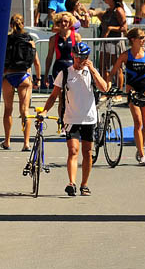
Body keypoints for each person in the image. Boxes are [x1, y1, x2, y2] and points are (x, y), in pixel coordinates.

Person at [41, 42, 109, 197]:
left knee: (87, 152)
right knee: (73, 150)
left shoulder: (91, 72)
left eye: (83, 57)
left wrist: (92, 70)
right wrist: (45, 111)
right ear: (72, 55)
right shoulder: (65, 73)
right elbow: (53, 96)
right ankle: (71, 183)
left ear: (87, 57)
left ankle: (84, 184)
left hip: (89, 119)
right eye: (77, 57)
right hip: (71, 118)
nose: (79, 60)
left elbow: (104, 88)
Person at [109, 28, 145, 167]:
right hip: (132, 90)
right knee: (138, 123)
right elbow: (114, 71)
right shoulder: (125, 55)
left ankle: (140, 145)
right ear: (133, 40)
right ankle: (141, 154)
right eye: (141, 37)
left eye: (144, 37)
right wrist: (108, 86)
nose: (144, 40)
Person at [1, 14, 40, 151]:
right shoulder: (29, 39)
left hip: (8, 75)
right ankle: (26, 143)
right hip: (24, 76)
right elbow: (36, 62)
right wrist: (38, 78)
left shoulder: (6, 39)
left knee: (8, 110)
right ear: (23, 24)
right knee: (25, 111)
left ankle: (7, 141)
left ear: (11, 24)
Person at [43, 12, 81, 122]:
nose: (63, 24)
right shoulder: (53, 39)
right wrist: (46, 75)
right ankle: (63, 122)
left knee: (72, 97)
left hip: (72, 68)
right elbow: (49, 57)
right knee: (62, 98)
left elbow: (81, 55)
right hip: (59, 69)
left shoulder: (76, 36)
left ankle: (73, 120)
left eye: (66, 21)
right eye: (60, 22)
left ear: (70, 22)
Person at [91, 0, 126, 80]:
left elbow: (124, 27)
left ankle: (119, 90)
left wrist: (111, 29)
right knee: (103, 66)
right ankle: (106, 88)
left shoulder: (118, 10)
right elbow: (103, 19)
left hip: (115, 43)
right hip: (105, 42)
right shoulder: (109, 10)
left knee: (117, 67)